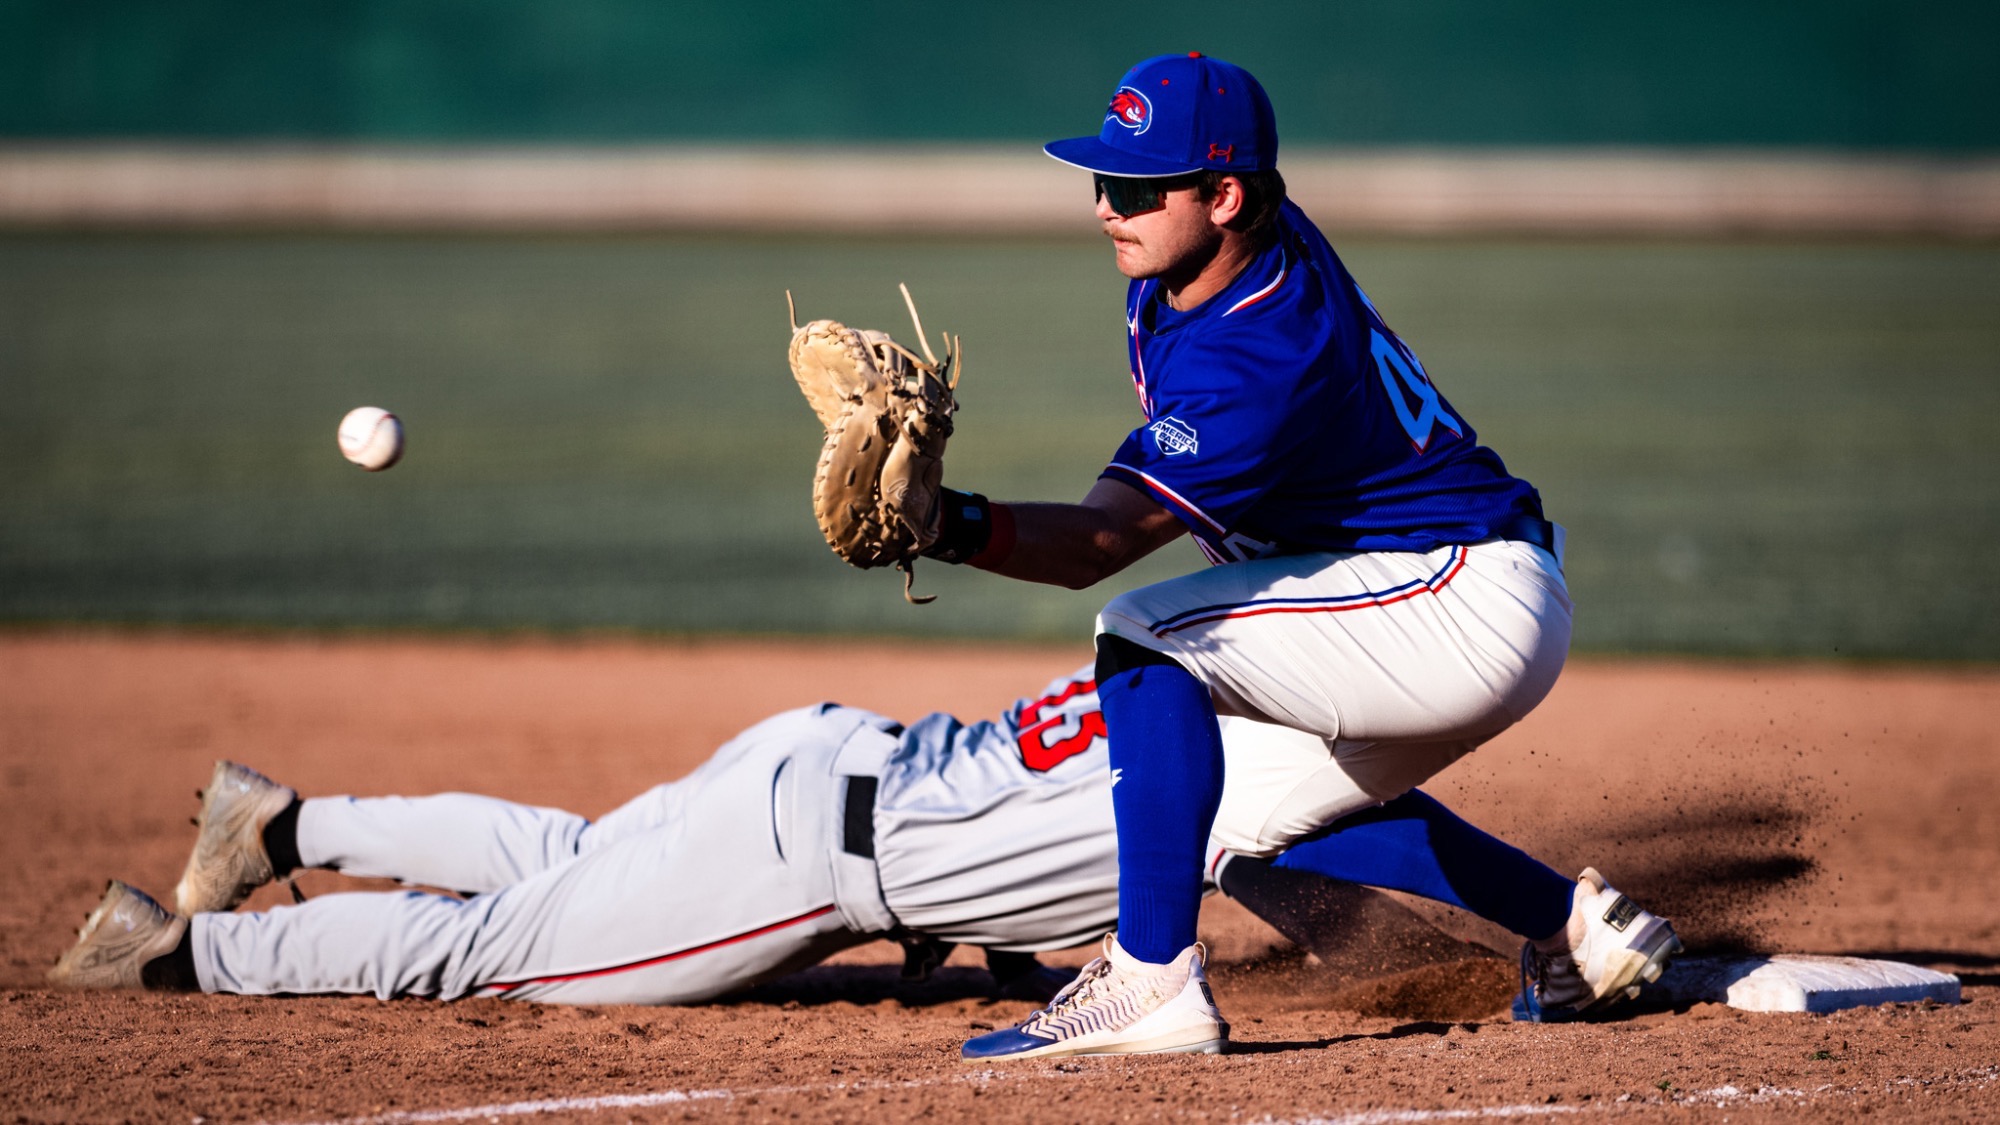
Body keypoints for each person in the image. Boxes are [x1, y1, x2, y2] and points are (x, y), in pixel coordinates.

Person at [906, 54, 1682, 1059]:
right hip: (1433, 587)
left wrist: (945, 525)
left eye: (1137, 186)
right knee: (1221, 818)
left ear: (1223, 195)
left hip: (1455, 591)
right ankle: (1576, 931)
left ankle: (1149, 986)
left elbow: (1096, 546)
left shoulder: (1260, 356)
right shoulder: (1209, 251)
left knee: (1143, 638)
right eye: (1100, 181)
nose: (1105, 208)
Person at [47, 665, 1627, 1018]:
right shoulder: (1294, 767)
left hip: (826, 751)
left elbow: (1349, 879)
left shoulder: (1199, 660)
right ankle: (183, 945)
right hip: (802, 870)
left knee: (571, 858)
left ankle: (283, 821)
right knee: (508, 956)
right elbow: (1406, 843)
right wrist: (1557, 924)